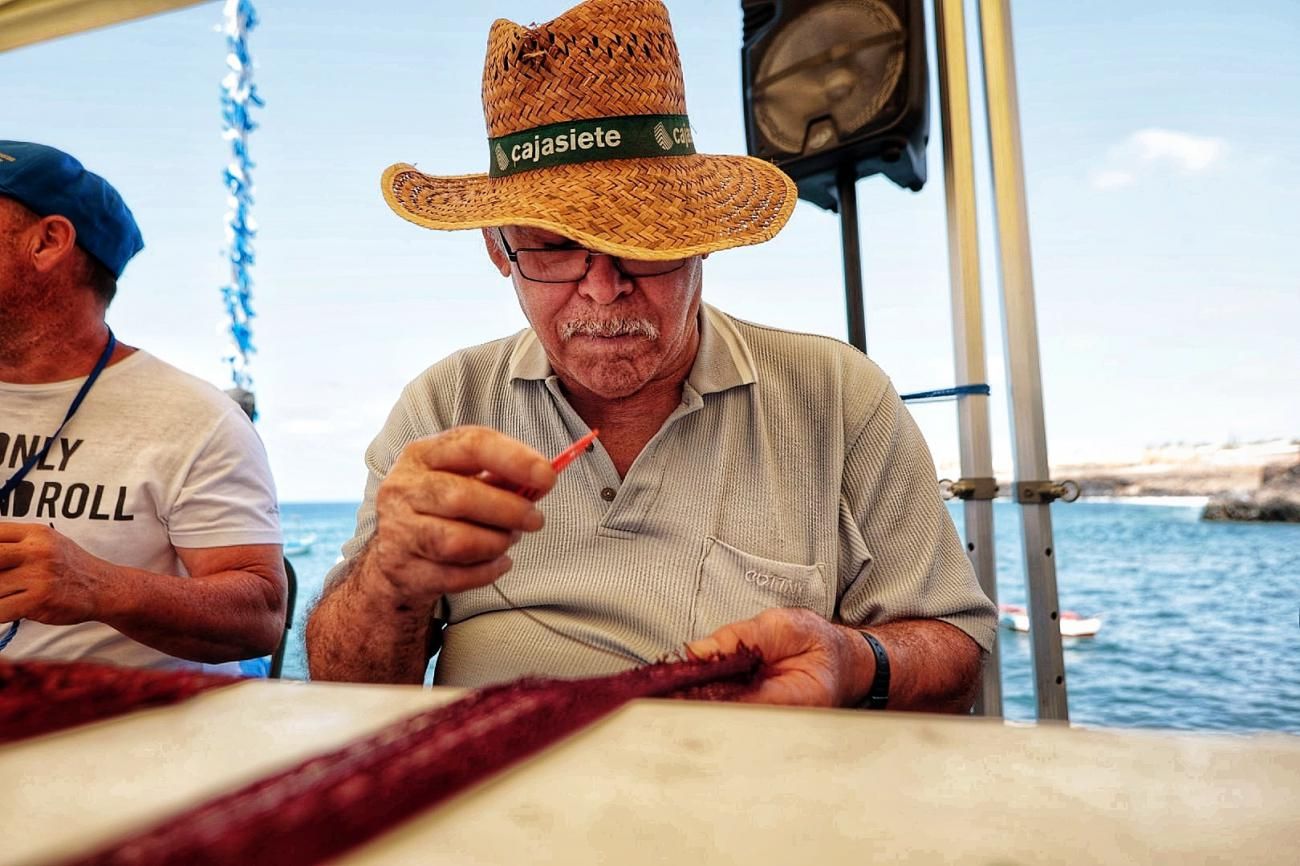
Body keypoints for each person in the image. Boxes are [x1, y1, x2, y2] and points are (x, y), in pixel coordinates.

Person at [306, 0, 996, 710]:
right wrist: (388, 576)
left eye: (642, 243)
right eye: (553, 248)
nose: (602, 290)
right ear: (499, 249)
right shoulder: (444, 405)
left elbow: (956, 650)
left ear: (701, 237)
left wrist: (856, 661)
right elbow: (340, 691)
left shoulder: (837, 395)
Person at [0, 140, 286, 672]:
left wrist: (95, 586)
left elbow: (260, 617)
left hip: (131, 739)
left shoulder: (195, 419)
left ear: (49, 241)